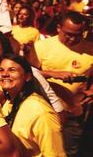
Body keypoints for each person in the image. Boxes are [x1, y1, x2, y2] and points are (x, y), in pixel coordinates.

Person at [31, 11, 93, 157]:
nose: (72, 38)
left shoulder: (90, 49)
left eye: (78, 35)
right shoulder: (41, 47)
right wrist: (53, 74)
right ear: (59, 28)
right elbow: (28, 73)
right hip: (46, 111)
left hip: (75, 112)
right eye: (68, 34)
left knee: (70, 150)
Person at [0, 54, 65, 157]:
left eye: (12, 70)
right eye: (1, 70)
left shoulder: (40, 111)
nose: (5, 74)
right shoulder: (9, 103)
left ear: (27, 76)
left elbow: (55, 154)